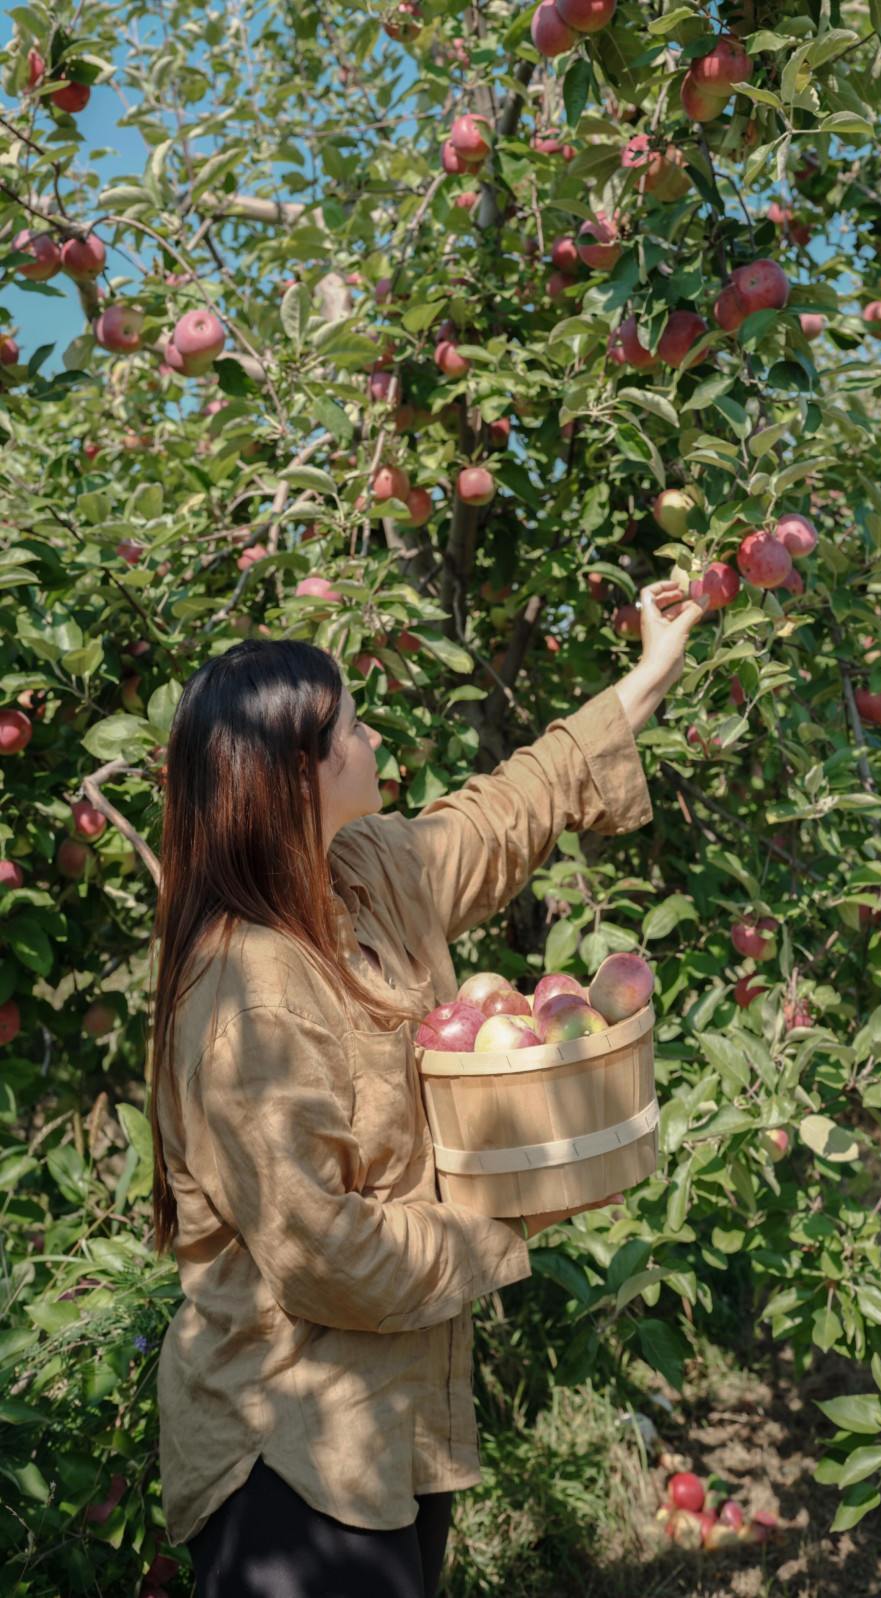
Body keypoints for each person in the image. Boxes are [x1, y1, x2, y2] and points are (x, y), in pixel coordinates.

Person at [149, 579, 709, 1597]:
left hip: (389, 1426)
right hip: (284, 1449)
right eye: (350, 727)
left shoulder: (361, 875)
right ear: (293, 776)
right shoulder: (246, 988)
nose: (371, 738)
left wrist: (650, 670)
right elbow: (325, 1250)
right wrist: (507, 1219)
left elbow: (508, 808)